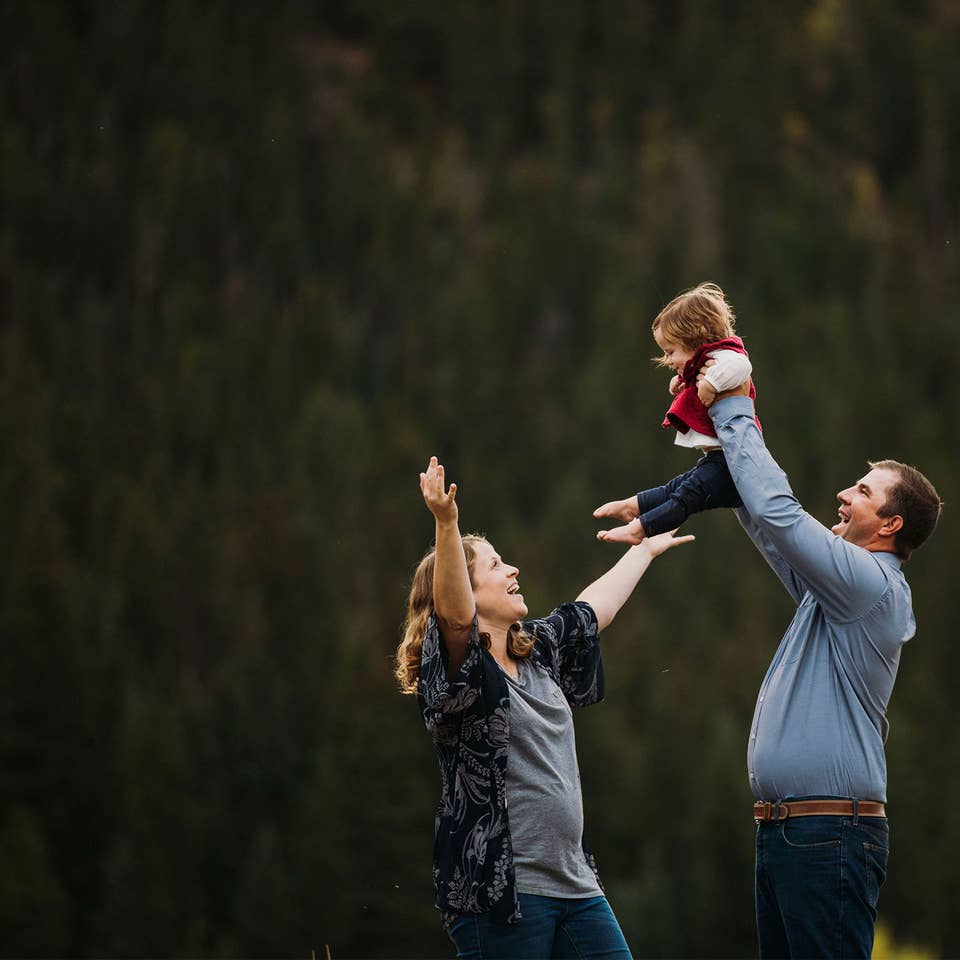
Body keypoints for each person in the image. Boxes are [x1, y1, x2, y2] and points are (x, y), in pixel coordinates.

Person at [396, 456, 693, 959]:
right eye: (494, 565)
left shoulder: (535, 651)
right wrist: (447, 525)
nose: (512, 569)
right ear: (465, 587)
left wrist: (643, 551)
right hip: (502, 892)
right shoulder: (459, 672)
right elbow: (455, 618)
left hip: (576, 885)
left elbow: (589, 612)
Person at [704, 375, 942, 958]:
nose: (844, 494)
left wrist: (735, 403)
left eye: (862, 491)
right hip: (795, 834)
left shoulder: (870, 585)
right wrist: (724, 434)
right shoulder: (839, 591)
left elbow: (780, 514)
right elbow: (765, 524)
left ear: (889, 525)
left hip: (827, 836)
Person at [593, 282, 761, 544]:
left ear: (696, 337)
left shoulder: (726, 355)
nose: (669, 360)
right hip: (721, 458)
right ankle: (633, 505)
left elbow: (741, 366)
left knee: (687, 496)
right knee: (677, 488)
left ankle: (641, 529)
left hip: (736, 462)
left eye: (671, 351)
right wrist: (685, 382)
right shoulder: (705, 363)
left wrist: (709, 384)